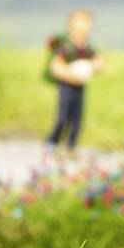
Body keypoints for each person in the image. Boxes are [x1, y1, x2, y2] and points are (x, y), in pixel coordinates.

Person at [44, 9, 101, 148]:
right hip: (66, 86)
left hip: (80, 86)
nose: (85, 29)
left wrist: (93, 67)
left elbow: (98, 61)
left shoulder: (87, 48)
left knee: (77, 118)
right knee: (63, 117)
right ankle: (52, 142)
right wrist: (69, 74)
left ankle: (71, 146)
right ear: (71, 26)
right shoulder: (66, 47)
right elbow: (55, 65)